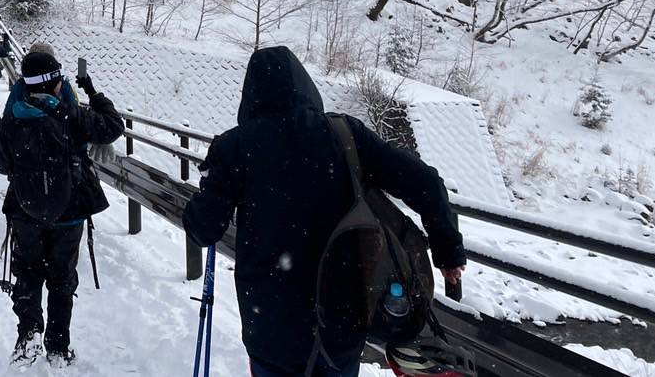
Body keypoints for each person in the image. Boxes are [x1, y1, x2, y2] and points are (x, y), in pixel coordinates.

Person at [183, 47, 466, 377]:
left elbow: (203, 230)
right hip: (339, 319)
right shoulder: (345, 134)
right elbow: (426, 183)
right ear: (305, 86)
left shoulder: (233, 147)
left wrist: (208, 189)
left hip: (270, 325)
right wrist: (448, 251)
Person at [0, 49, 125, 367]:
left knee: (26, 274)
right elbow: (113, 125)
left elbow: (0, 164)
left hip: (25, 211)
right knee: (62, 279)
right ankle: (58, 346)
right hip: (69, 212)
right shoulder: (71, 114)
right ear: (54, 82)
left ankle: (28, 335)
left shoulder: (13, 116)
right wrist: (92, 90)